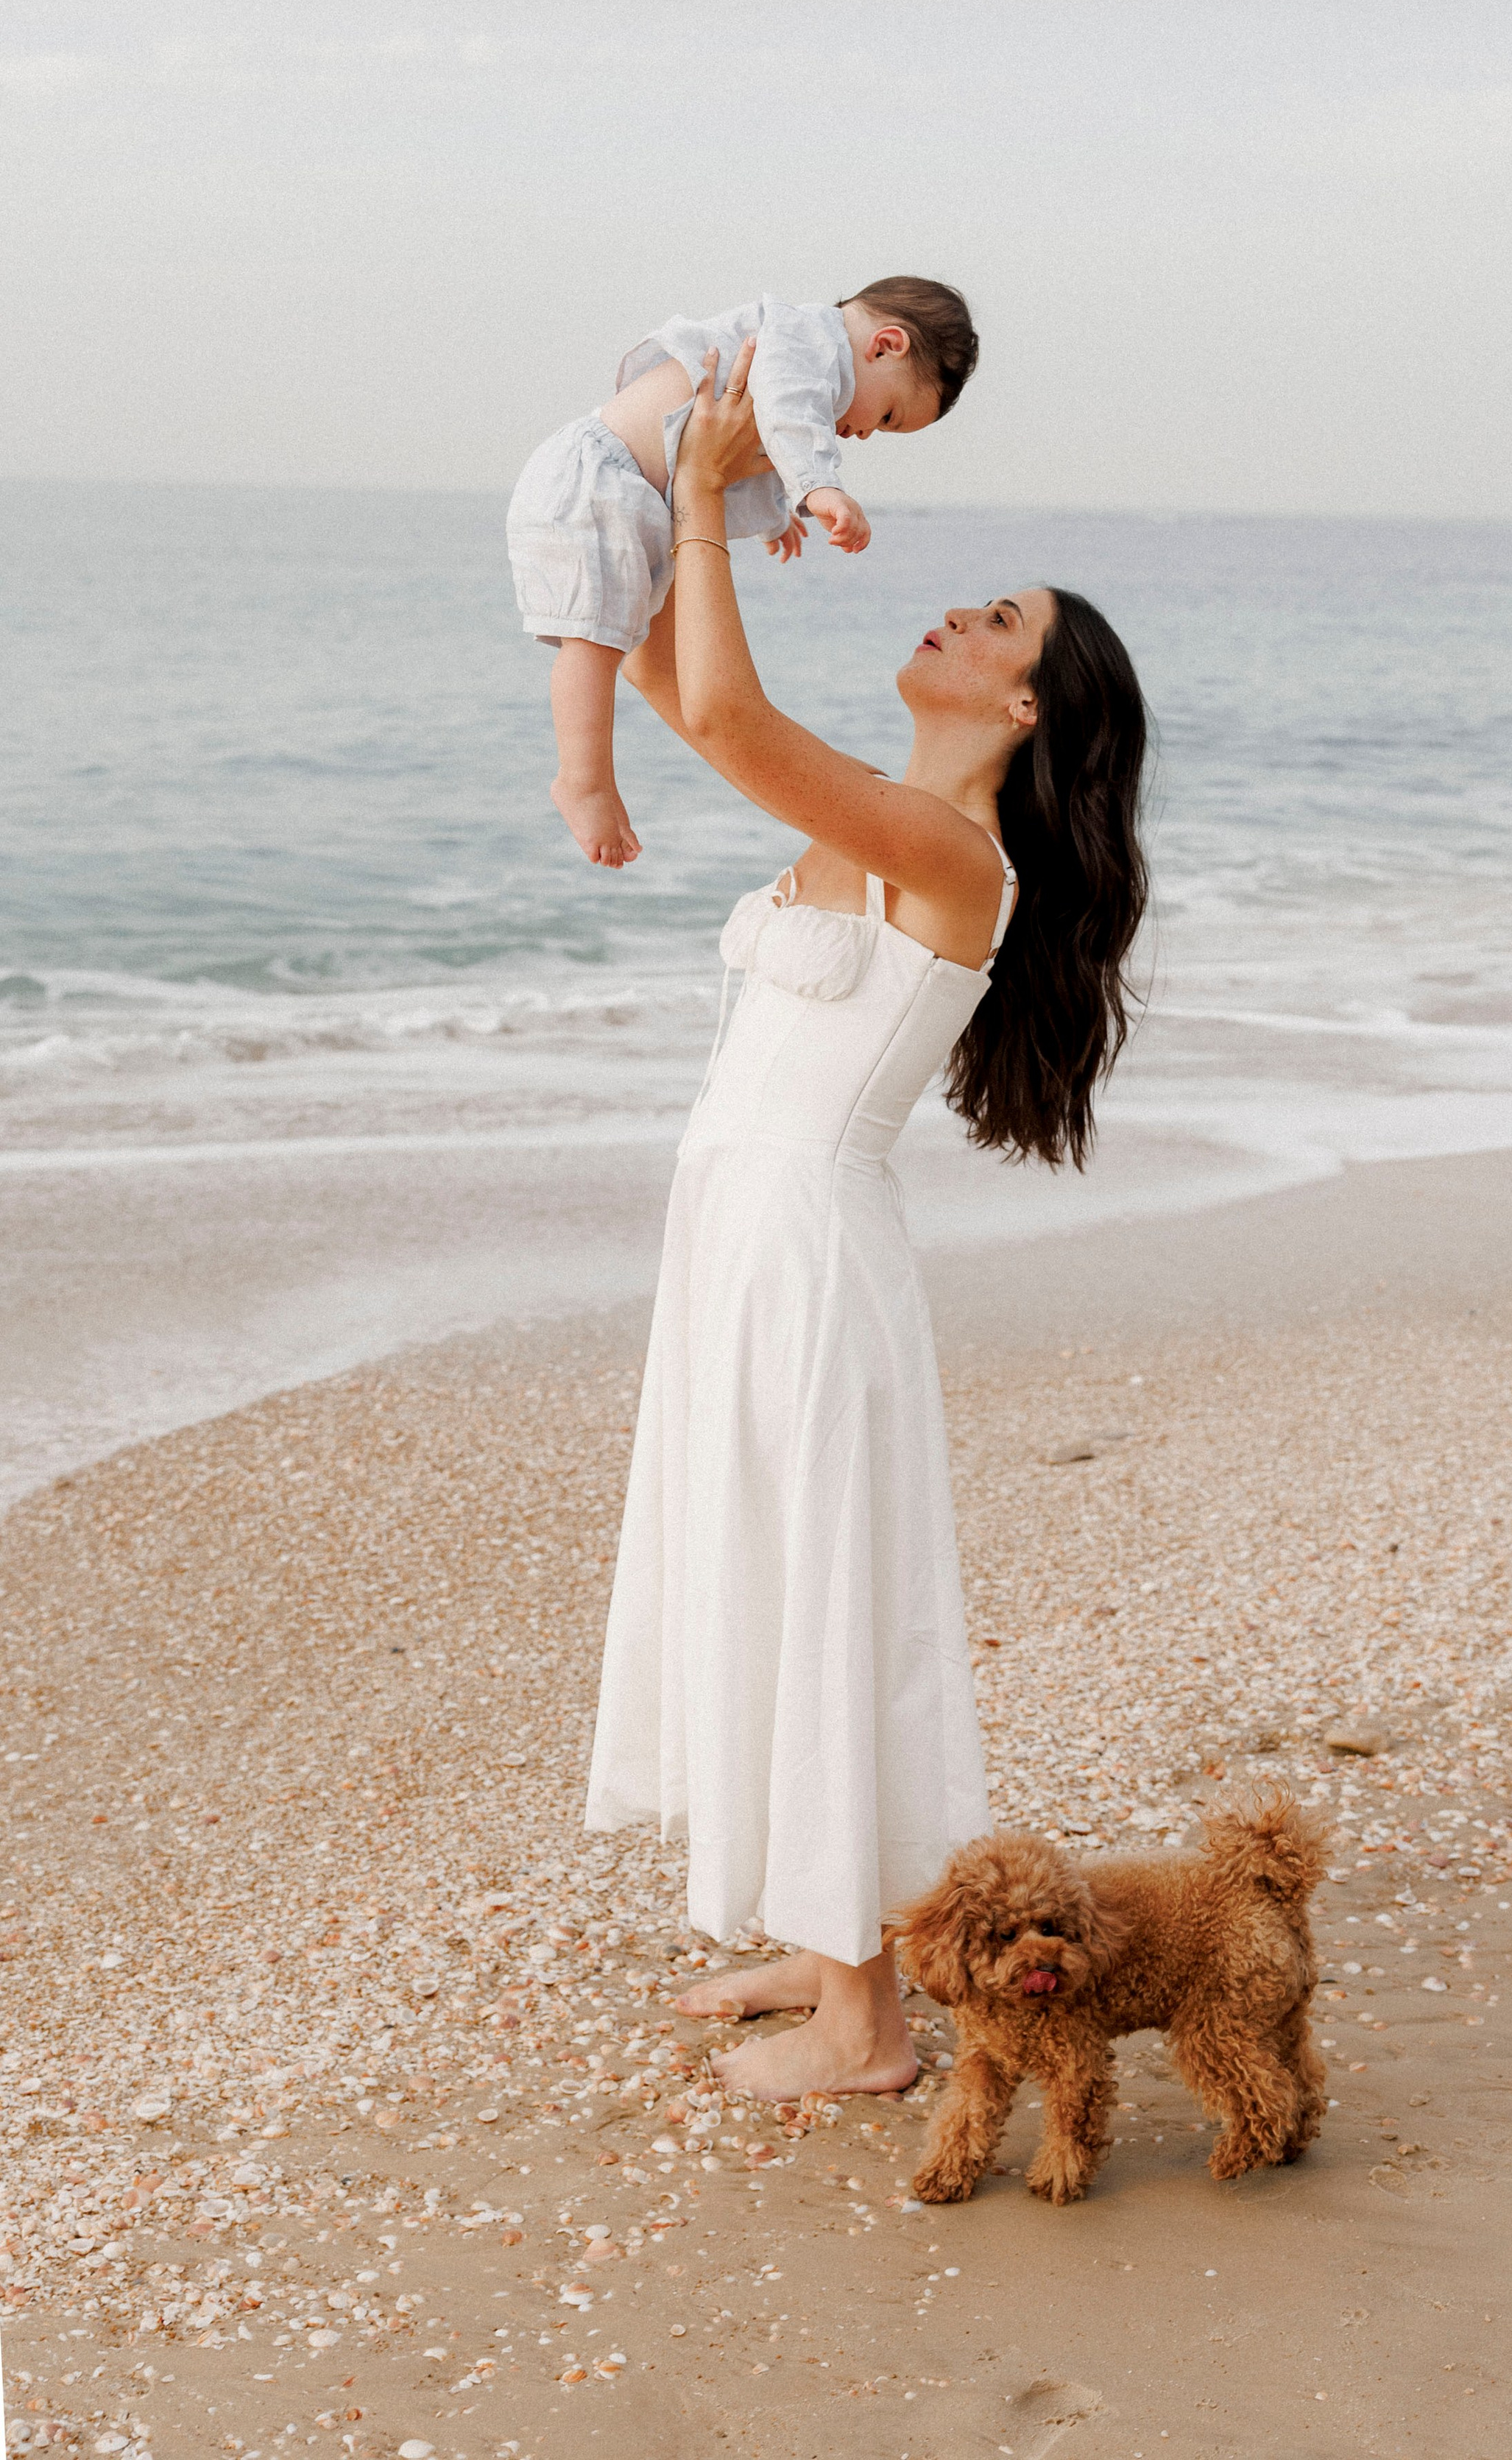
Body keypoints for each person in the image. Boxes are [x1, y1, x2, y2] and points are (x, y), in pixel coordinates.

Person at [583, 337, 1150, 2099]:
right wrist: (660, 496)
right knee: (758, 1586)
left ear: (1028, 704)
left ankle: (870, 2027)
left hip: (811, 1265)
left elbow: (732, 723)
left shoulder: (947, 852)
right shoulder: (880, 811)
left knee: (824, 1606)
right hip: (733, 1244)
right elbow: (683, 701)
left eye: (993, 621)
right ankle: (821, 1936)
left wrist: (694, 500)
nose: (952, 620)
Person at [506, 278, 979, 869]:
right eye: (887, 415)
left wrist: (774, 517)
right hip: (605, 478)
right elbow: (787, 410)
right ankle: (583, 778)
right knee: (594, 643)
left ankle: (803, 782)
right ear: (886, 345)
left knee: (650, 657)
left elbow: (754, 444)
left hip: (641, 499)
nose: (863, 433)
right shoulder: (808, 340)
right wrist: (819, 487)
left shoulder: (803, 367)